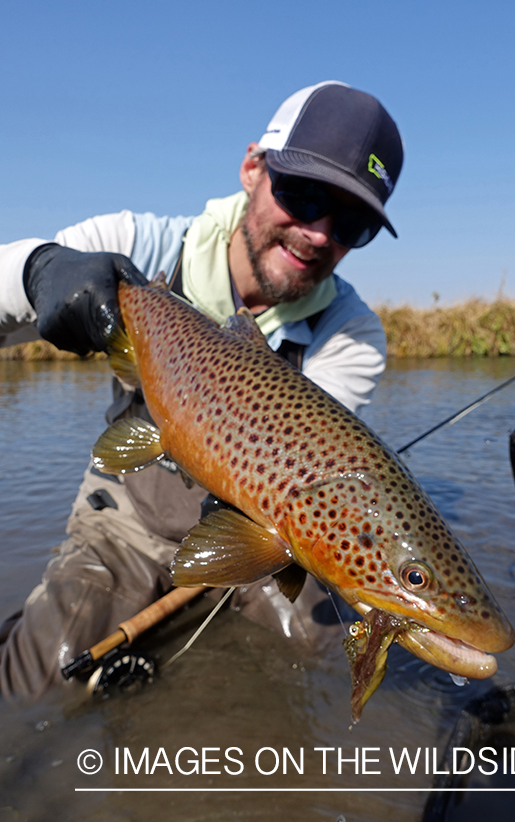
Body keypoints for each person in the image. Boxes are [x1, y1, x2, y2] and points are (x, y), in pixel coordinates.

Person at [0, 81, 404, 700]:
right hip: (128, 517)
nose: (319, 233)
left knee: (323, 658)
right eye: (301, 195)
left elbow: (313, 472)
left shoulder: (350, 332)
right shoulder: (139, 246)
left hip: (257, 533)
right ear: (252, 169)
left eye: (351, 221)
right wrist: (39, 270)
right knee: (37, 687)